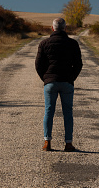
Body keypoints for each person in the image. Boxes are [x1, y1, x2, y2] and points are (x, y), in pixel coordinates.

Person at [35, 18, 83, 152]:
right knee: (68, 113)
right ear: (65, 28)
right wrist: (71, 77)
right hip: (67, 82)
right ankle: (68, 144)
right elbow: (78, 64)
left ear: (52, 28)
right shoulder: (73, 44)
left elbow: (38, 65)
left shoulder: (44, 43)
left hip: (50, 83)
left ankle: (47, 142)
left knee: (49, 111)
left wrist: (45, 78)